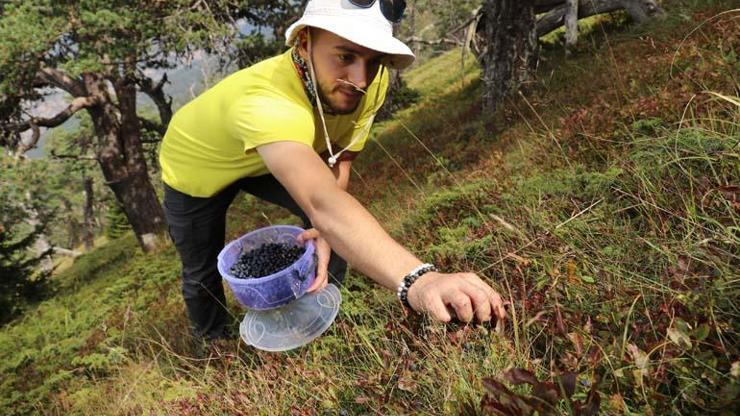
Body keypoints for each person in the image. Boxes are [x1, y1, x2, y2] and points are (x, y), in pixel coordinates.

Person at [159, 0, 507, 342]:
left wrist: (325, 229)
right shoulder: (266, 102)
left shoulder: (371, 82)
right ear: (305, 41)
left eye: (374, 61)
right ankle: (213, 343)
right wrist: (420, 280)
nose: (360, 79)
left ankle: (321, 312)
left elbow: (339, 161)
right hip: (197, 167)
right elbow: (322, 201)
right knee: (201, 268)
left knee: (330, 232)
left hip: (276, 151)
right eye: (345, 56)